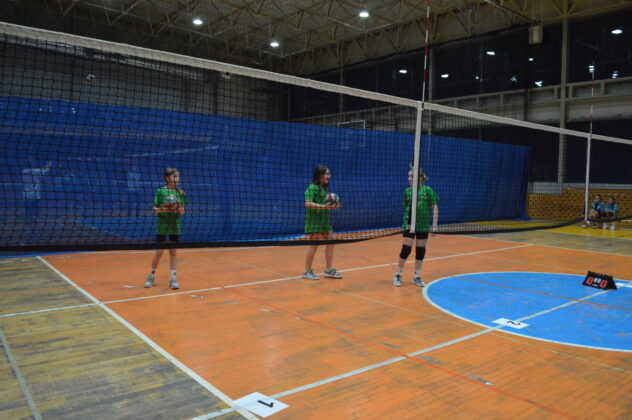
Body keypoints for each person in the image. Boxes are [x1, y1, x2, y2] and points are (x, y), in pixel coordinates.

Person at [393, 168, 438, 287]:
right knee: (406, 249)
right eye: (408, 176)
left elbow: (434, 207)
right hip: (409, 224)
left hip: (423, 225)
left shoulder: (427, 190)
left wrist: (434, 225)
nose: (409, 179)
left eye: (412, 177)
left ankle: (416, 276)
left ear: (420, 178)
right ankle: (398, 274)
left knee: (420, 250)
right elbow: (406, 208)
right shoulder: (407, 191)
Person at [145, 168, 187, 289]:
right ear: (167, 178)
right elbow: (155, 209)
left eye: (178, 176)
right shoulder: (160, 191)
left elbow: (182, 211)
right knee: (159, 252)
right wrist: (165, 209)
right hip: (162, 226)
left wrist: (178, 207)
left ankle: (173, 278)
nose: (177, 179)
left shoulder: (181, 193)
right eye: (174, 176)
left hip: (175, 226)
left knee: (173, 252)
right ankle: (151, 275)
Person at [302, 165, 342, 280]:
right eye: (327, 174)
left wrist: (335, 205)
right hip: (313, 221)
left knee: (331, 241)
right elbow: (307, 203)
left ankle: (328, 270)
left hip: (324, 221)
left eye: (329, 174)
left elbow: (327, 205)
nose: (329, 176)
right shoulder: (312, 188)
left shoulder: (324, 190)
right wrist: (324, 207)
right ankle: (306, 271)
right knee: (314, 244)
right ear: (320, 175)